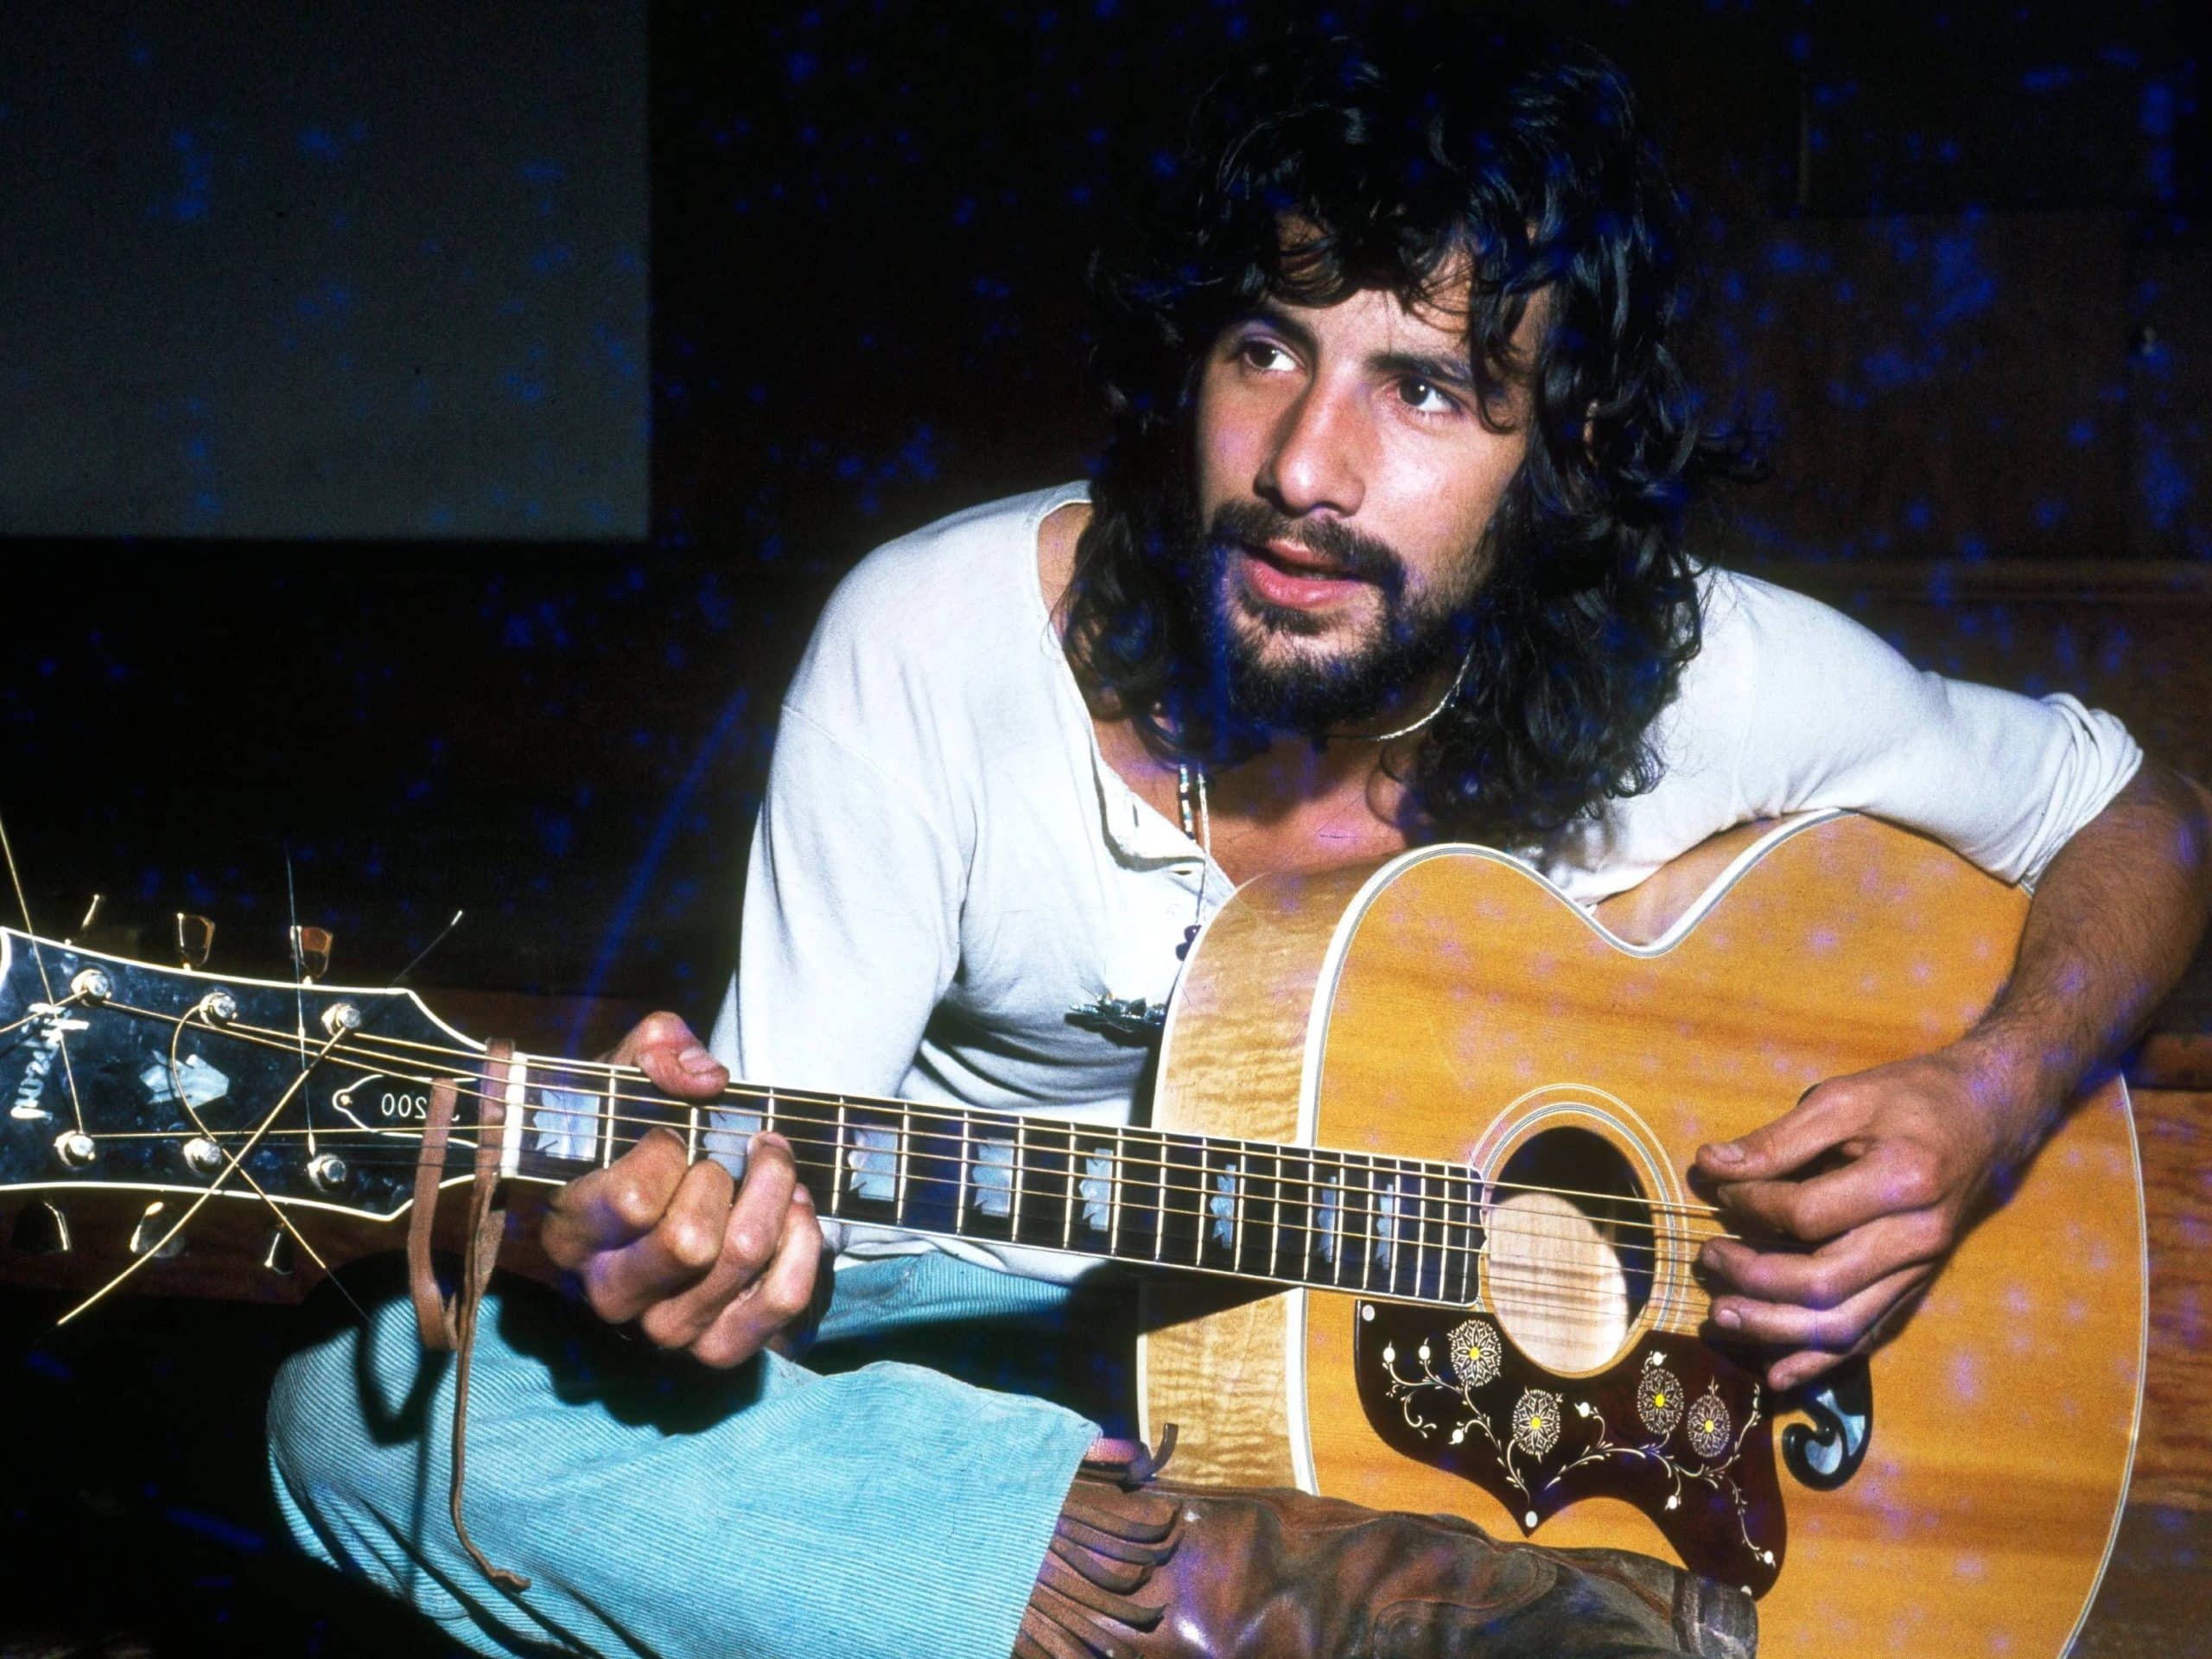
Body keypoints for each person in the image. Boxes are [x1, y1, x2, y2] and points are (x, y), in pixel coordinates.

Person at [267, 16, 2212, 1659]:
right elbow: (776, 1224)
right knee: (370, 1419)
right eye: (1266, 350)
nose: (1301, 467)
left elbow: (2142, 816)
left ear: (1562, 460)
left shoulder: (1692, 671)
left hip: (1467, 1422)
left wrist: (1987, 1098)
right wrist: (680, 1247)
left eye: (1425, 389)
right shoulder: (934, 643)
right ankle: (1257, 1596)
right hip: (975, 1372)